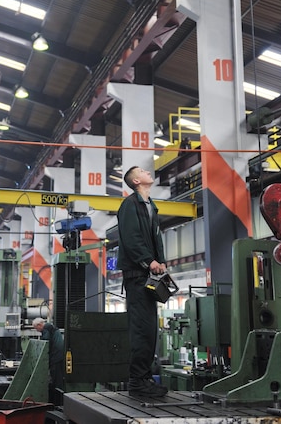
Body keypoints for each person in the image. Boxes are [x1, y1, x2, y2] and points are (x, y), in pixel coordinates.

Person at [117, 166, 169, 400]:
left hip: (148, 276)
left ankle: (144, 378)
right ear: (136, 181)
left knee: (149, 331)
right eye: (143, 171)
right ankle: (137, 382)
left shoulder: (151, 205)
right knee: (141, 330)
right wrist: (149, 261)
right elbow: (131, 238)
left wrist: (161, 262)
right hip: (137, 276)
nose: (148, 171)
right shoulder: (130, 205)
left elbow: (155, 237)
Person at [32, 317, 64, 403]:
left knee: (57, 380)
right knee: (58, 378)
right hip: (59, 356)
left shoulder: (46, 329)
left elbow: (45, 344)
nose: (37, 330)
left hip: (56, 357)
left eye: (36, 328)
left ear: (40, 325)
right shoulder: (52, 328)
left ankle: (58, 402)